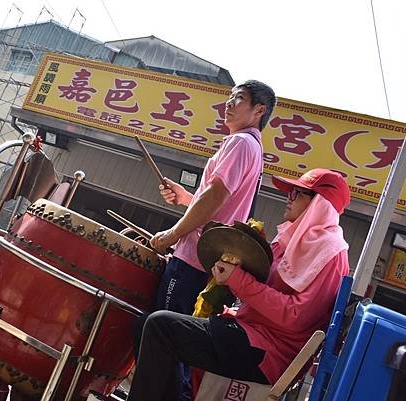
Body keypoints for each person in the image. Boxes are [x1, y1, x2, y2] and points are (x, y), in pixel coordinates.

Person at [128, 168, 351, 401]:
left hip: (269, 352)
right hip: (248, 331)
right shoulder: (291, 238)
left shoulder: (331, 254)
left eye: (297, 193)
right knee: (144, 323)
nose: (289, 197)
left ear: (320, 203)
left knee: (159, 326)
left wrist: (238, 279)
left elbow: (297, 316)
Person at [143, 80, 276, 400]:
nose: (229, 103)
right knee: (173, 347)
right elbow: (220, 205)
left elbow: (216, 196)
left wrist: (173, 233)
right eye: (229, 96)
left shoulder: (241, 143)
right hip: (204, 260)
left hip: (192, 260)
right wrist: (187, 197)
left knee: (168, 345)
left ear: (259, 110)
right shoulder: (251, 146)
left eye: (239, 99)